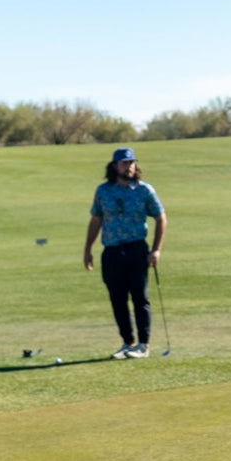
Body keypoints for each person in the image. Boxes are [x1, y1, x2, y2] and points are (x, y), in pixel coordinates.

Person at [84, 146, 167, 359]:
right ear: (114, 166)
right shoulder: (103, 191)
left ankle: (143, 345)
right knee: (117, 299)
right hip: (111, 251)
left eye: (131, 163)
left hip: (136, 248)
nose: (129, 166)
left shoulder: (144, 190)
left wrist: (156, 250)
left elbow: (160, 218)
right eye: (124, 163)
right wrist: (88, 249)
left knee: (140, 297)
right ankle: (127, 342)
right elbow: (96, 220)